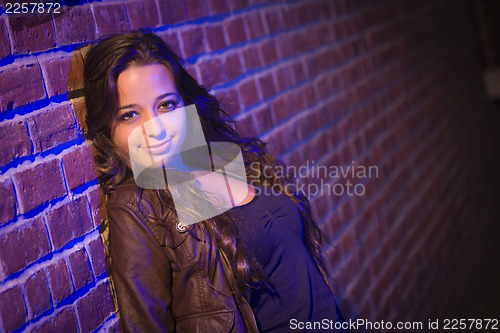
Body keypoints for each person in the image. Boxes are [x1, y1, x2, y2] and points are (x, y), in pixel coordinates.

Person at [83, 30, 346, 332]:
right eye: (130, 115)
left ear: (186, 105)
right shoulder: (138, 205)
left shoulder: (222, 158)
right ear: (108, 130)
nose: (154, 128)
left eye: (166, 105)